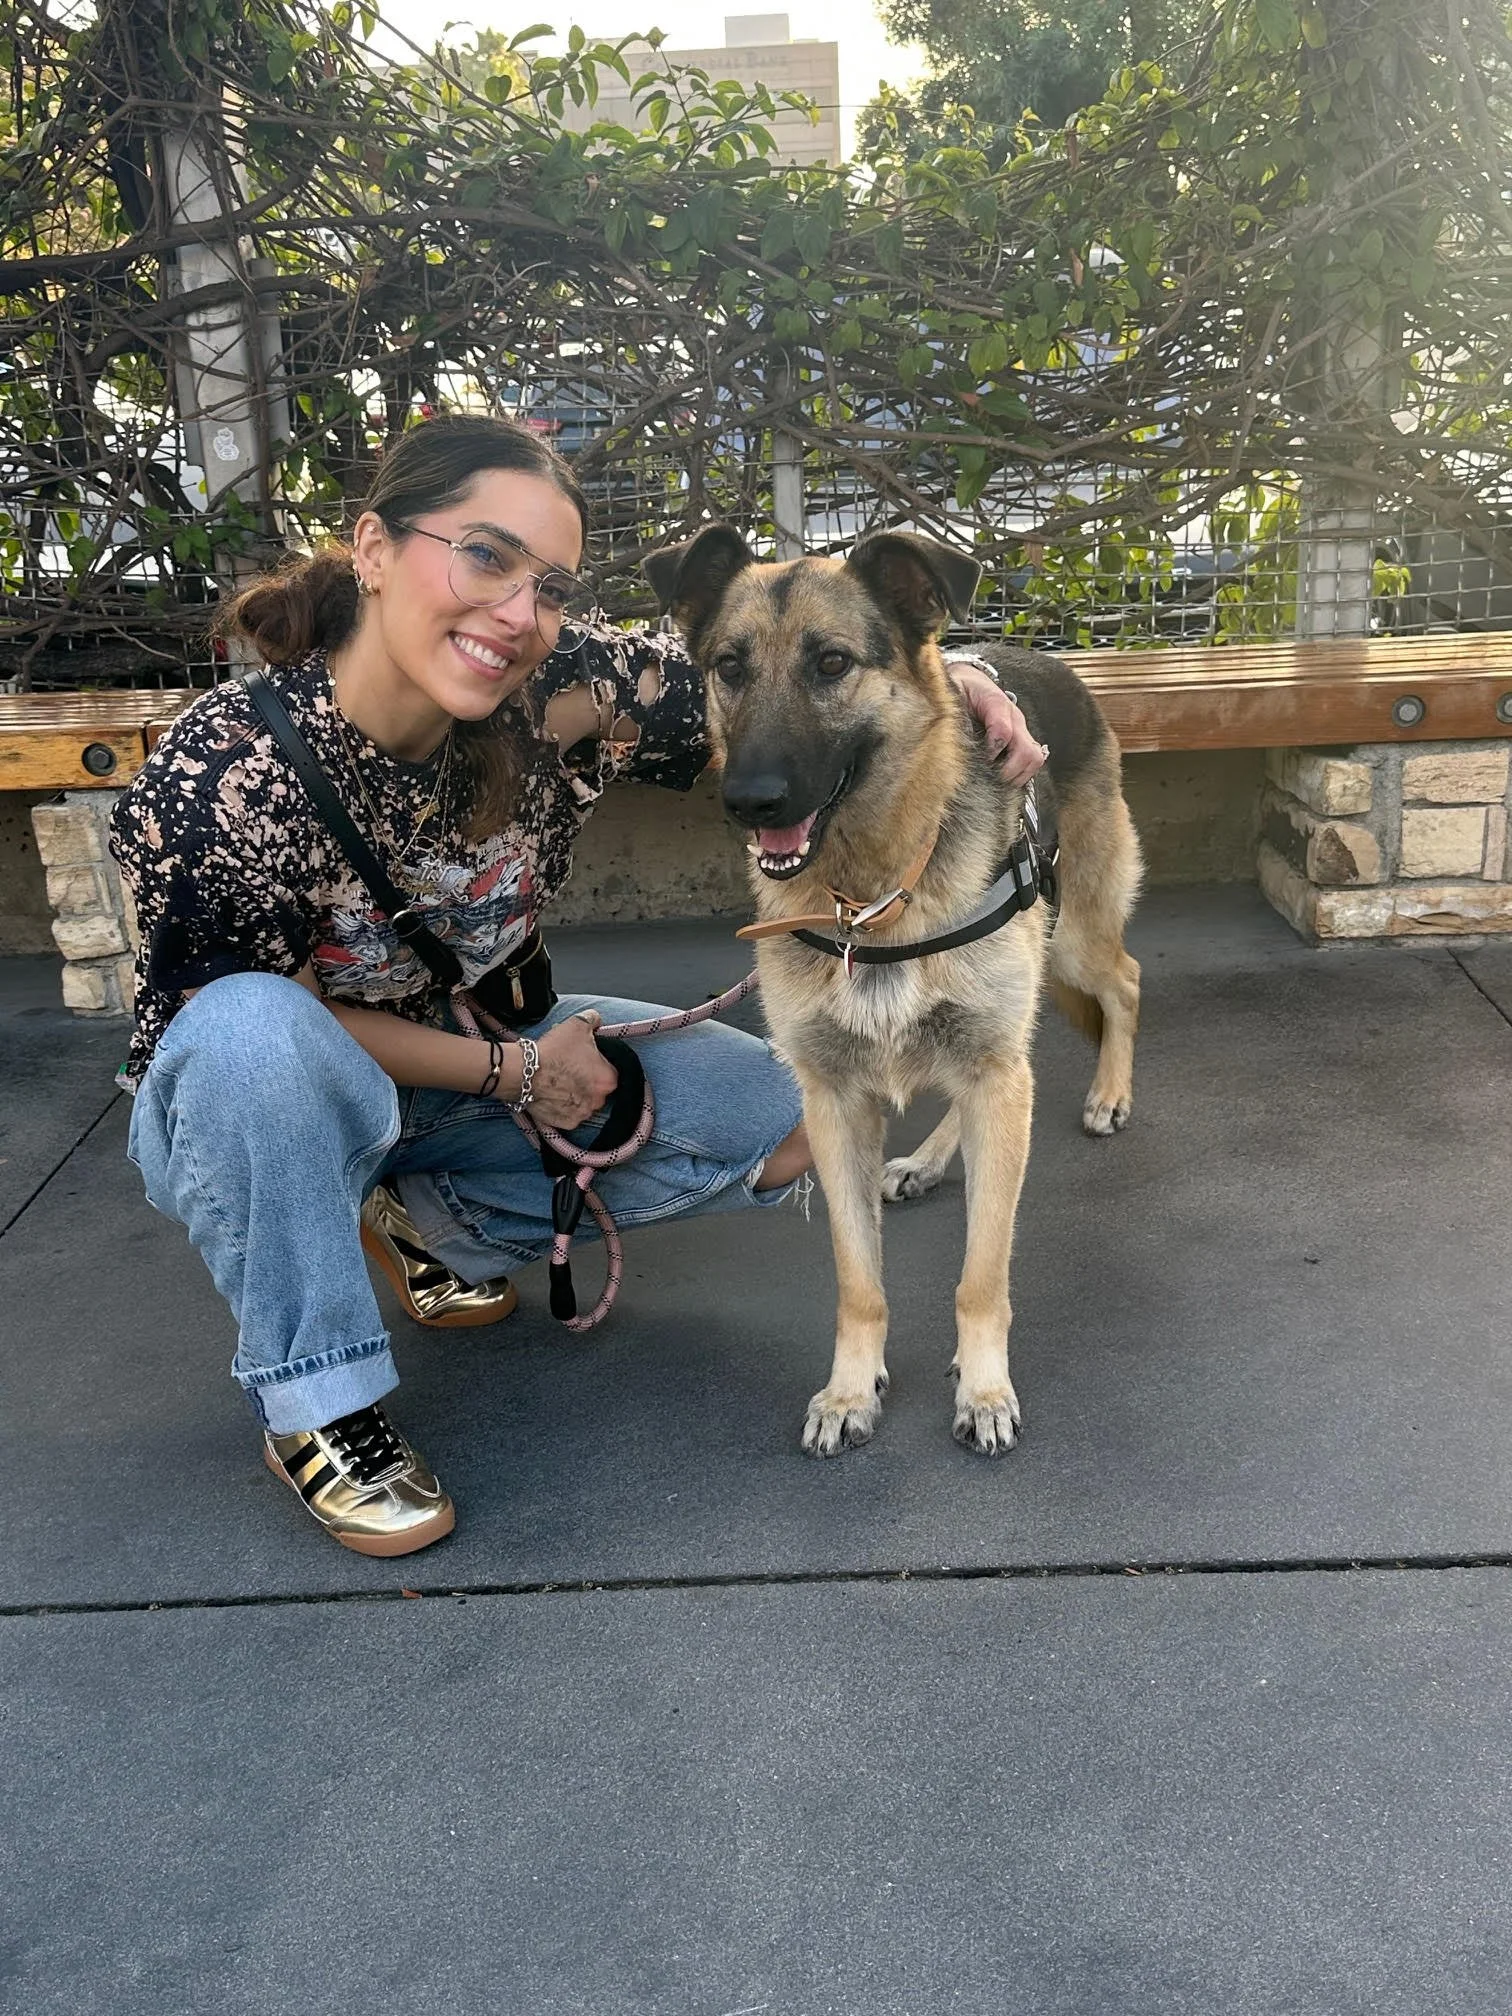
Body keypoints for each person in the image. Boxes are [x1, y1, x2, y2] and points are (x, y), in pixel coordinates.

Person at [111, 414, 1046, 1558]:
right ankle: (320, 1405)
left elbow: (836, 668)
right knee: (254, 1036)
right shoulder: (222, 772)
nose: (517, 613)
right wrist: (514, 1070)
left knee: (791, 1126)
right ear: (371, 546)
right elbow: (235, 1027)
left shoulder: (562, 686)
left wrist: (975, 676)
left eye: (549, 585)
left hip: (479, 1070)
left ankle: (418, 1222)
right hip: (265, 1097)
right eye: (485, 556)